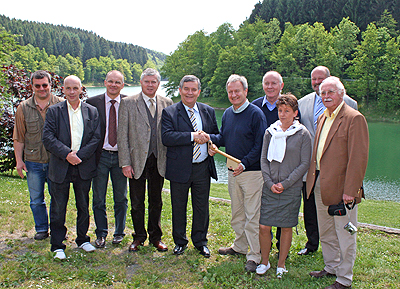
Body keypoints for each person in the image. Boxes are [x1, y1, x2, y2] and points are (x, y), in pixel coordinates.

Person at [306, 76, 368, 289]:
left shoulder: (354, 118)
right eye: (323, 93)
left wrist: (350, 190)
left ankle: (344, 278)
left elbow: (358, 158)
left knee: (345, 233)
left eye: (331, 92)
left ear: (341, 94)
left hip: (343, 189)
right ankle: (331, 266)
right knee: (326, 230)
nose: (326, 96)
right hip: (320, 183)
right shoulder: (323, 117)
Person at [297, 66, 358, 256]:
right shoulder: (303, 102)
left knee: (338, 214)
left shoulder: (350, 107)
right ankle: (313, 244)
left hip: (337, 171)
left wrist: (352, 184)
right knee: (312, 208)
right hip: (311, 168)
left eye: (320, 79)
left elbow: (356, 150)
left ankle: (341, 258)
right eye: (313, 80)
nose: (316, 83)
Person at [210, 74, 267, 272]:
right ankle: (240, 246)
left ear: (245, 91)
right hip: (233, 170)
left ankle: (254, 255)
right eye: (230, 92)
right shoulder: (227, 113)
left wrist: (245, 163)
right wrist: (211, 141)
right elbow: (224, 138)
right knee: (237, 213)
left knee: (252, 216)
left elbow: (260, 145)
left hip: (251, 173)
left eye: (237, 91)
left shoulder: (255, 114)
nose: (233, 95)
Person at [42, 75, 101, 260]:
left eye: (75, 88)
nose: (72, 92)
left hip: (83, 166)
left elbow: (96, 138)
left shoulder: (91, 111)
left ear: (81, 89)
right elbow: (48, 138)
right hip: (60, 166)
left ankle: (83, 239)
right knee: (58, 207)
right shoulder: (54, 111)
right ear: (63, 90)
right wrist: (67, 154)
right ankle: (57, 244)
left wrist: (79, 157)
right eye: (68, 88)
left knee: (83, 205)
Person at [161, 75, 219, 258]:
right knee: (179, 206)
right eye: (186, 89)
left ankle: (201, 242)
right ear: (180, 90)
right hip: (179, 168)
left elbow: (217, 135)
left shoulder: (208, 111)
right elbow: (167, 137)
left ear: (199, 91)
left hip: (202, 167)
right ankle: (180, 242)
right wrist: (192, 136)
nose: (190, 92)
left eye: (194, 89)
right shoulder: (170, 112)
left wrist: (211, 144)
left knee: (201, 207)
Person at [256, 94, 311, 278]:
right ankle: (264, 262)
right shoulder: (270, 132)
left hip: (290, 189)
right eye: (280, 110)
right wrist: (270, 183)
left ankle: (281, 264)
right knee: (264, 226)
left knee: (286, 227)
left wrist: (285, 184)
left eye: (287, 111)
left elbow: (304, 164)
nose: (282, 114)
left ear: (295, 113)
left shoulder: (303, 134)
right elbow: (263, 159)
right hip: (270, 187)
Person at [118, 68, 173, 252]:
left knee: (156, 201)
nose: (150, 85)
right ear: (141, 83)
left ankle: (156, 237)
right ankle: (139, 236)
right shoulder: (128, 103)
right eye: (147, 81)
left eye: (154, 82)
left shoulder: (167, 103)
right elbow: (122, 135)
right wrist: (125, 162)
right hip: (135, 161)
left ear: (158, 84)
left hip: (159, 160)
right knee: (136, 202)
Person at [12, 70, 63, 240]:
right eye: (37, 85)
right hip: (33, 161)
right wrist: (19, 161)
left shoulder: (61, 104)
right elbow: (19, 137)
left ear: (51, 85)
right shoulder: (23, 107)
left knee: (58, 199)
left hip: (56, 161)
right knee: (36, 199)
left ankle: (57, 230)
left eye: (45, 85)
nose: (41, 88)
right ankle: (42, 229)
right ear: (32, 86)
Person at [86, 70, 128, 248]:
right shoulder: (91, 103)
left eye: (117, 82)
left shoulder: (129, 103)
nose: (113, 85)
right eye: (110, 81)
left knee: (121, 198)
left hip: (121, 156)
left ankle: (119, 233)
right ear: (105, 82)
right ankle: (101, 233)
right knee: (98, 198)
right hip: (100, 156)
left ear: (122, 85)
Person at [251, 70, 284, 253]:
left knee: (281, 207)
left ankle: (281, 245)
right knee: (262, 207)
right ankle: (264, 244)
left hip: (282, 168)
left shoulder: (288, 106)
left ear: (281, 85)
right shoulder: (255, 106)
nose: (270, 87)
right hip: (259, 167)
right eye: (266, 83)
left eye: (274, 83)